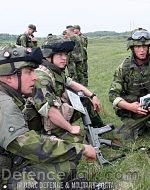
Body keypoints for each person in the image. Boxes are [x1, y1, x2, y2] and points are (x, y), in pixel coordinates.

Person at [0, 44, 96, 189]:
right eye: (29, 72)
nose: (34, 77)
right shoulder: (4, 103)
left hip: (11, 161)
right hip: (6, 173)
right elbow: (29, 145)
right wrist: (80, 149)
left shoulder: (8, 96)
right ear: (9, 77)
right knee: (48, 178)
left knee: (63, 164)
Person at [31, 35, 104, 143]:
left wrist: (92, 96)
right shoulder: (42, 78)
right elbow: (50, 112)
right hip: (43, 124)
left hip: (57, 113)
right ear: (48, 55)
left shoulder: (54, 70)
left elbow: (72, 83)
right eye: (60, 54)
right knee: (80, 145)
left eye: (65, 54)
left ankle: (98, 128)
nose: (64, 58)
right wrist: (70, 128)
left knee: (84, 100)